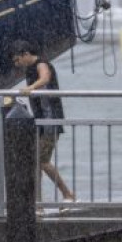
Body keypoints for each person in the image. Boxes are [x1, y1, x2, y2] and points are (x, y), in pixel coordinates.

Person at [9, 39, 76, 203]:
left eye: (17, 60)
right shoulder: (29, 69)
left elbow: (45, 78)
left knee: (42, 160)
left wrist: (30, 88)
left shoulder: (41, 64)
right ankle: (37, 202)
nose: (17, 64)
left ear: (26, 54)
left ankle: (67, 194)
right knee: (36, 161)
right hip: (40, 122)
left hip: (50, 120)